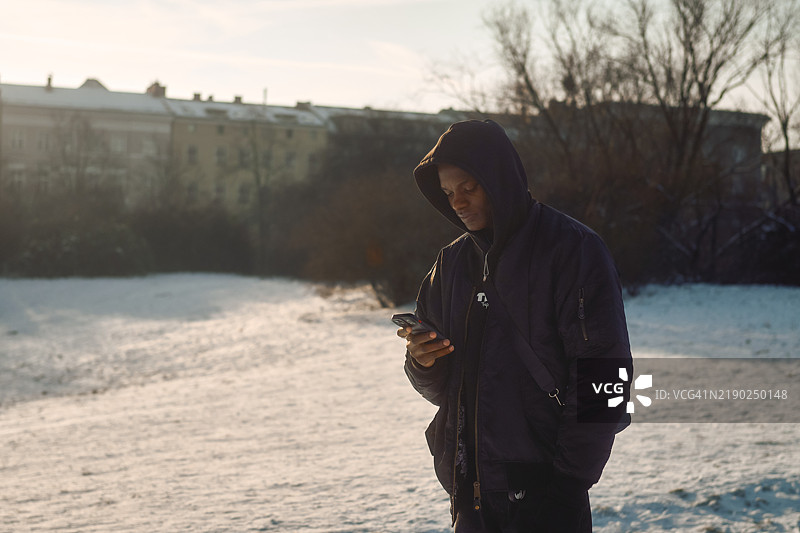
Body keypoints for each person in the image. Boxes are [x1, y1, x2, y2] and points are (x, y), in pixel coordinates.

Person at [398, 119, 632, 532]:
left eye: (468, 187)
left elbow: (605, 379)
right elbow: (438, 391)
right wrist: (422, 362)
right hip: (469, 496)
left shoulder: (573, 250)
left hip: (549, 497)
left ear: (499, 177)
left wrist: (566, 490)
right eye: (448, 192)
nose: (457, 202)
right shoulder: (450, 265)